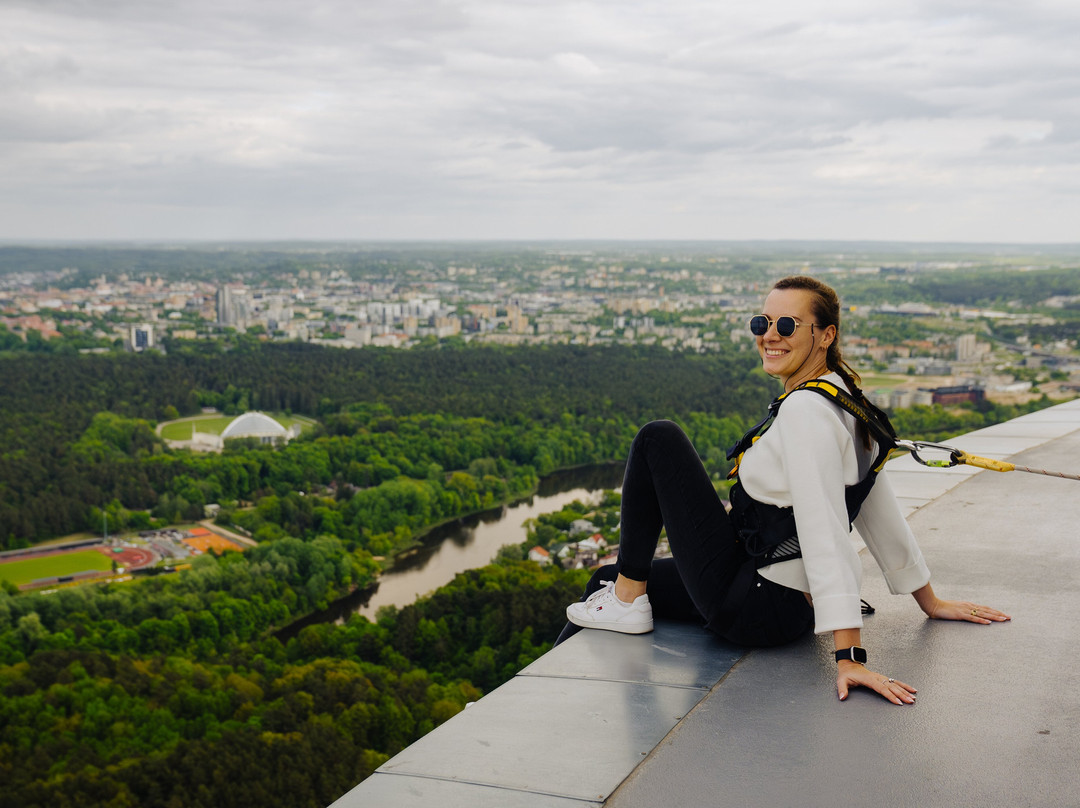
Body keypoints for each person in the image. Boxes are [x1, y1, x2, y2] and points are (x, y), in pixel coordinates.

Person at [559, 275, 1010, 705]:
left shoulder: (805, 412)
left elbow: (824, 526)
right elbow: (872, 502)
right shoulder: (845, 398)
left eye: (787, 325)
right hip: (785, 604)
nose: (770, 335)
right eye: (763, 323)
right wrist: (929, 600)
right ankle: (622, 601)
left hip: (753, 604)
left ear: (826, 335)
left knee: (659, 438)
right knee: (609, 577)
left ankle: (577, 688)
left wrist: (850, 656)